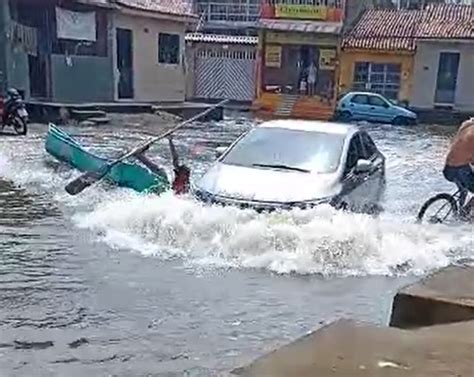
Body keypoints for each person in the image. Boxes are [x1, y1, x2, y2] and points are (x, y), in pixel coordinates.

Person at [443, 118, 474, 211]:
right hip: (459, 170)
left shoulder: (466, 124)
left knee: (463, 189)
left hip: (447, 169)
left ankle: (459, 212)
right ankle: (463, 216)